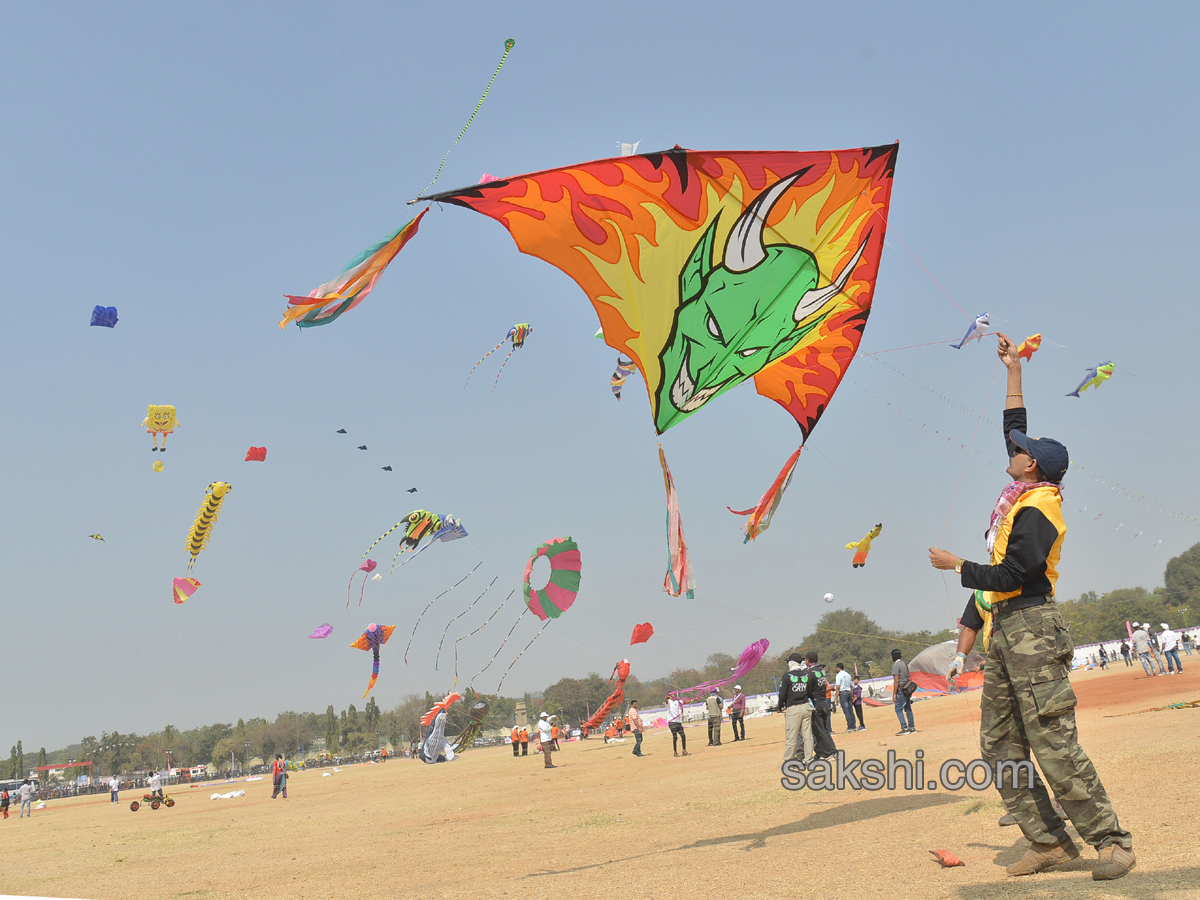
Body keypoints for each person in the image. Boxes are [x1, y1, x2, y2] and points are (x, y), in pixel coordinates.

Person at [931, 332, 1134, 881]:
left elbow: (1016, 575)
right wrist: (1013, 371)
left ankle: (1111, 841)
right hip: (1005, 631)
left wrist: (957, 566)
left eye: (1020, 450)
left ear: (1031, 467)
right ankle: (1047, 841)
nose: (1013, 450)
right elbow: (1010, 428)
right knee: (998, 742)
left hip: (1033, 629)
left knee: (1052, 740)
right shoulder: (1023, 490)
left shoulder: (1040, 508)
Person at [778, 653, 813, 764]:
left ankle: (789, 760)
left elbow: (782, 694)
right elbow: (810, 691)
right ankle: (808, 759)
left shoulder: (786, 676)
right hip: (806, 706)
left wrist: (780, 706)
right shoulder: (807, 675)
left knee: (792, 736)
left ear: (791, 663)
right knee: (807, 735)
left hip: (793, 708)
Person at [806, 651, 837, 758]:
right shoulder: (821, 671)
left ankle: (827, 754)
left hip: (816, 702)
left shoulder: (809, 673)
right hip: (824, 701)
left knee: (819, 731)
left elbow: (808, 689)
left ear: (808, 660)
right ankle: (833, 750)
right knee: (825, 730)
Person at [890, 649, 916, 735]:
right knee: (908, 708)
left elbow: (896, 680)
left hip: (901, 689)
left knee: (898, 709)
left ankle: (904, 728)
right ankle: (912, 727)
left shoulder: (895, 666)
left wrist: (894, 694)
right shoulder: (904, 664)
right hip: (907, 689)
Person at [835, 663, 856, 733]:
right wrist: (852, 695)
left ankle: (849, 727)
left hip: (843, 693)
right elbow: (851, 686)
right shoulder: (848, 675)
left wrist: (837, 697)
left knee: (846, 711)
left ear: (838, 668)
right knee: (851, 710)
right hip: (849, 692)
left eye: (836, 668)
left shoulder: (838, 675)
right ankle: (854, 726)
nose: (836, 670)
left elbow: (838, 687)